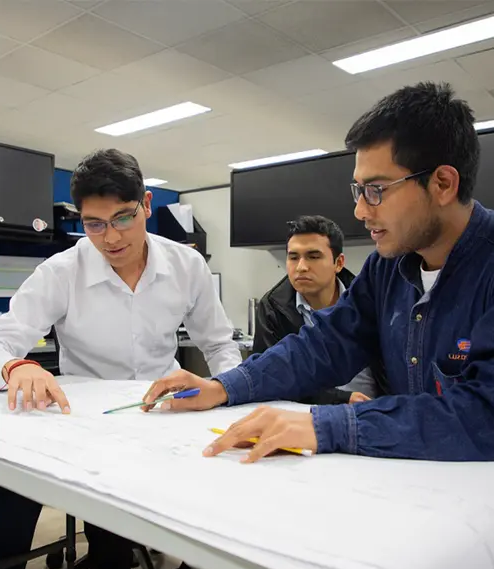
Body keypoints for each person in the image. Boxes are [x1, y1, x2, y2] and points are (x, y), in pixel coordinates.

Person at [142, 81, 494, 465]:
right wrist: (222, 386)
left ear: (443, 183)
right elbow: (322, 346)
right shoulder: (387, 267)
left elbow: (482, 416)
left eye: (376, 190)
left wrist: (328, 425)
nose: (361, 211)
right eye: (357, 190)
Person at [0, 148, 241, 569]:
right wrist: (15, 366)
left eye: (122, 218)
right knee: (89, 525)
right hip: (91, 427)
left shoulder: (186, 265)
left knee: (221, 500)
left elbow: (218, 344)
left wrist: (225, 389)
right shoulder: (61, 271)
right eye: (93, 224)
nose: (110, 238)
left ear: (147, 205)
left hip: (166, 415)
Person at [253, 214, 382, 404]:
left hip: (376, 412)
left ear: (338, 263)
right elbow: (271, 381)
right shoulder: (273, 308)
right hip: (309, 414)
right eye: (293, 257)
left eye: (313, 257)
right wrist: (341, 399)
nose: (301, 267)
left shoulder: (368, 299)